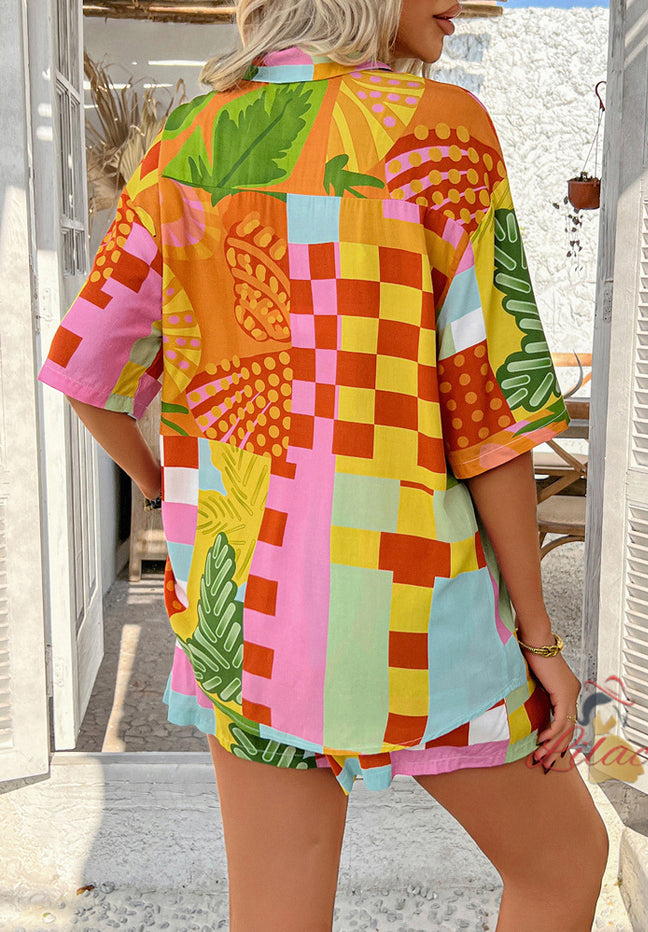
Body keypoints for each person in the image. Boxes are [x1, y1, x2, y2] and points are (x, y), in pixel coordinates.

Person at [37, 0, 609, 929]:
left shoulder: (188, 137)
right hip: (414, 615)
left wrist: (159, 484)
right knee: (566, 863)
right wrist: (542, 644)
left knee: (275, 914)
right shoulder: (439, 128)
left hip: (243, 613)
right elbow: (491, 411)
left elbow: (87, 373)